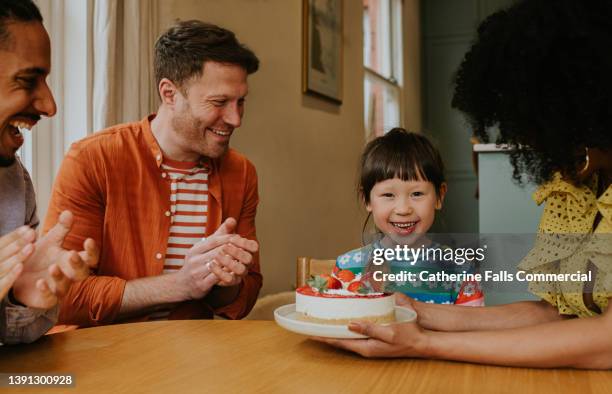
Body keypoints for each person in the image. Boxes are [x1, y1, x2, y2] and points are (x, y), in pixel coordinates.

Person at [316, 0, 612, 369]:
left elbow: (606, 339)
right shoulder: (579, 190)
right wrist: (418, 312)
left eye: (529, 118)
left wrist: (424, 344)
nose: (525, 139)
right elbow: (561, 315)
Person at [43, 20, 262, 326]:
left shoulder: (241, 174)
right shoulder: (93, 159)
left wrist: (227, 280)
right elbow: (60, 297)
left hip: (195, 357)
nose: (235, 118)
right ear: (169, 93)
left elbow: (243, 299)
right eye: (219, 102)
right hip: (102, 357)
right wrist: (179, 285)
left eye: (241, 102)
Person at [0, 0, 98, 344]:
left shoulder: (13, 181)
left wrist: (20, 296)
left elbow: (16, 343)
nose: (50, 105)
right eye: (28, 80)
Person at [334, 129, 484, 306]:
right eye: (388, 195)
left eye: (417, 193)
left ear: (439, 196)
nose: (403, 209)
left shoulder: (461, 270)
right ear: (366, 199)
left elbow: (472, 330)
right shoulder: (346, 268)